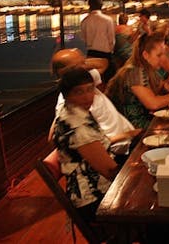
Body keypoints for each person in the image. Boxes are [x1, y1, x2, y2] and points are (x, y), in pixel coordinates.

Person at [53, 67, 119, 222]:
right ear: (67, 95)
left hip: (97, 187)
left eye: (90, 89)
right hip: (93, 199)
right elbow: (110, 172)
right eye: (79, 92)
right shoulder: (78, 127)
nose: (87, 96)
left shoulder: (71, 111)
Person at [51, 48, 141, 160]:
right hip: (117, 151)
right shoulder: (70, 102)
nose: (86, 66)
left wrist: (81, 63)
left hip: (128, 141)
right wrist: (129, 134)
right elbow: (55, 137)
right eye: (81, 64)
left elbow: (103, 63)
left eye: (90, 89)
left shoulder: (85, 80)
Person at [106, 33, 169, 129]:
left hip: (144, 120)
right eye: (159, 55)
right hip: (132, 128)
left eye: (163, 54)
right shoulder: (134, 72)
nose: (163, 59)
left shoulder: (147, 68)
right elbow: (153, 104)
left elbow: (161, 85)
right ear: (146, 55)